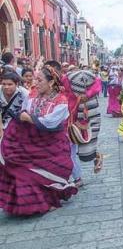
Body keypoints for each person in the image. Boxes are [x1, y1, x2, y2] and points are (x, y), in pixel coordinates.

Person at [0, 66, 77, 215]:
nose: (36, 82)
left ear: (51, 83)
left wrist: (28, 117)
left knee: (42, 174)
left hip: (51, 145)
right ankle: (27, 204)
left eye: (39, 80)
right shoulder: (32, 95)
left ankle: (46, 200)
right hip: (30, 141)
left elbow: (50, 122)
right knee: (22, 171)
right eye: (36, 79)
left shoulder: (61, 100)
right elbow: (23, 112)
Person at [0, 72, 29, 138]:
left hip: (16, 128)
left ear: (16, 84)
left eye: (10, 84)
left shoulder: (24, 94)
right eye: (3, 84)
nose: (6, 87)